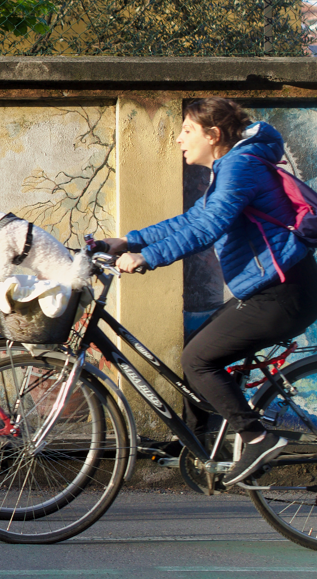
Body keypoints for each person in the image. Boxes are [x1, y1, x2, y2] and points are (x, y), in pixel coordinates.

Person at [103, 98, 317, 485]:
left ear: (213, 135)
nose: (179, 139)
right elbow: (193, 219)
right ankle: (197, 443)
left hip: (284, 293)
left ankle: (257, 438)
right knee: (197, 349)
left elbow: (207, 228)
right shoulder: (232, 165)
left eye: (187, 130)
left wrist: (147, 257)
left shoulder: (241, 165)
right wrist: (130, 241)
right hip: (271, 289)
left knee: (198, 360)